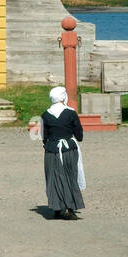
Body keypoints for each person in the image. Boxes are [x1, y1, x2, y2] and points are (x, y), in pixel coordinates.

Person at [41, 86, 85, 219]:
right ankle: (71, 208)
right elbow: (79, 136)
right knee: (70, 176)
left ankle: (56, 208)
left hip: (51, 150)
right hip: (68, 149)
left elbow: (44, 136)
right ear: (63, 97)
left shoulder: (45, 114)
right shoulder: (71, 113)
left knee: (54, 178)